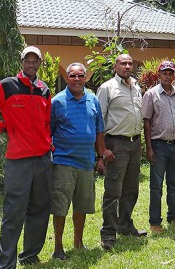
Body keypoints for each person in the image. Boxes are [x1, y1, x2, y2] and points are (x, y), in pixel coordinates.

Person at [0, 46, 53, 268]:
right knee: (13, 213)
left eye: (34, 61)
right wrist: (0, 126)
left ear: (39, 63)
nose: (31, 64)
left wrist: (49, 144)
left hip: (43, 159)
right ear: (21, 62)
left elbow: (47, 122)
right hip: (18, 160)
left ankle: (30, 255)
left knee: (40, 209)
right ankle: (6, 263)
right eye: (27, 60)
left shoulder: (44, 90)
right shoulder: (8, 86)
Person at [49, 62, 111, 260]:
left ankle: (78, 242)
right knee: (60, 207)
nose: (77, 79)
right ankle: (58, 247)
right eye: (73, 76)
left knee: (82, 206)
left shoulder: (93, 100)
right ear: (67, 78)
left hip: (86, 163)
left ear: (85, 78)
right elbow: (48, 131)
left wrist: (100, 157)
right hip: (63, 163)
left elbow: (99, 130)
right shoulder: (57, 102)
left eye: (81, 76)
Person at [96, 53, 146, 251]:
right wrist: (102, 150)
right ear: (115, 66)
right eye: (123, 63)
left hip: (135, 144)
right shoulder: (107, 88)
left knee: (131, 189)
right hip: (116, 144)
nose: (127, 66)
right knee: (113, 191)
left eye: (130, 63)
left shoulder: (136, 87)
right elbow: (99, 120)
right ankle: (108, 233)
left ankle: (125, 224)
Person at [142, 61, 175, 233]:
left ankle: (173, 217)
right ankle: (155, 222)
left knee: (173, 185)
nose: (168, 76)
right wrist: (150, 148)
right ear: (159, 75)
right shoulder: (151, 94)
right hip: (159, 146)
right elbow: (146, 121)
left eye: (171, 73)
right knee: (156, 186)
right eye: (164, 73)